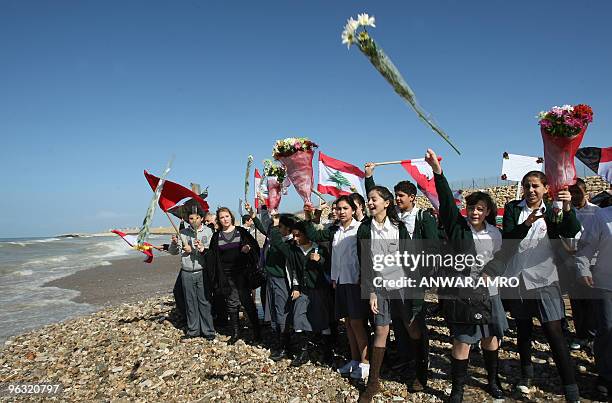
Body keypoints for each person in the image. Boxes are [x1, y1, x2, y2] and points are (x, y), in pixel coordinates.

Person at [425, 149, 507, 401]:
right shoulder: (458, 229)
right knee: (462, 342)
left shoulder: (495, 233)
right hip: (463, 294)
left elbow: (502, 258)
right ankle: (457, 389)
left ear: (487, 211)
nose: (475, 212)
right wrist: (438, 173)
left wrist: (490, 272)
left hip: (489, 294)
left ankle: (492, 382)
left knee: (491, 340)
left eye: (480, 208)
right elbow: (448, 203)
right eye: (472, 207)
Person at [496, 170, 581, 402]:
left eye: (535, 186)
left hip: (545, 278)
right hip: (518, 278)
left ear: (545, 189)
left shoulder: (553, 210)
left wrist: (567, 208)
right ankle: (526, 374)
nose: (531, 190)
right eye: (527, 186)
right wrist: (528, 222)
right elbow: (510, 238)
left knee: (553, 331)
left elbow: (570, 230)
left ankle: (570, 386)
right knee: (523, 329)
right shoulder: (514, 208)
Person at [364, 162, 439, 373]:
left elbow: (432, 247)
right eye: (395, 195)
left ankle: (421, 361)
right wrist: (369, 177)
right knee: (397, 321)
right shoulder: (394, 217)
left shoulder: (423, 217)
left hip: (413, 276)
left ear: (412, 197)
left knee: (414, 321)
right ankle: (406, 358)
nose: (397, 199)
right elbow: (376, 201)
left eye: (401, 196)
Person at [357, 185, 425, 402]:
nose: (369, 202)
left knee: (411, 326)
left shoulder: (399, 226)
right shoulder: (365, 229)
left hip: (403, 285)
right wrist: (372, 292)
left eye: (373, 199)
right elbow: (365, 264)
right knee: (381, 329)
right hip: (380, 286)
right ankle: (373, 381)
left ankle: (419, 371)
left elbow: (410, 259)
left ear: (386, 203)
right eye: (368, 199)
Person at [304, 196, 370, 383]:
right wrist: (309, 217)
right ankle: (355, 359)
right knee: (348, 323)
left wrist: (364, 278)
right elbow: (314, 235)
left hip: (355, 282)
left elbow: (367, 255)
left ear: (353, 209)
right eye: (338, 208)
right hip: (340, 282)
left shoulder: (360, 229)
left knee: (358, 323)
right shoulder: (335, 230)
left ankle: (366, 362)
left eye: (345, 208)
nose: (341, 211)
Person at [269, 218, 333, 367]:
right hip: (303, 290)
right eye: (294, 235)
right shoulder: (293, 250)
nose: (295, 239)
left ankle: (327, 351)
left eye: (299, 235)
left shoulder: (319, 249)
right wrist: (275, 224)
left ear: (307, 235)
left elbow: (330, 270)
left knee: (323, 321)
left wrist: (321, 261)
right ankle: (303, 351)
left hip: (319, 290)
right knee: (298, 317)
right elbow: (277, 243)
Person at [245, 201, 295, 361]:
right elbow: (264, 229)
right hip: (271, 279)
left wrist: (272, 225)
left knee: (281, 311)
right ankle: (278, 340)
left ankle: (285, 346)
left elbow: (272, 235)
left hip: (281, 280)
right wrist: (253, 216)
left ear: (286, 229)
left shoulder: (286, 242)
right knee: (272, 310)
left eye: (278, 226)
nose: (275, 228)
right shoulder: (274, 237)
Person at [207, 207, 261, 344]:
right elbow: (213, 256)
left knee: (247, 302)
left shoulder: (240, 232)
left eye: (227, 216)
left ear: (231, 217)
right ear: (218, 220)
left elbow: (255, 247)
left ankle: (257, 331)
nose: (225, 219)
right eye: (222, 217)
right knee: (232, 302)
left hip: (242, 274)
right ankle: (236, 333)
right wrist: (202, 250)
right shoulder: (216, 236)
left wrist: (248, 249)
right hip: (226, 274)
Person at [575, 204, 612, 400]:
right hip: (606, 284)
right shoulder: (601, 216)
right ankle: (606, 376)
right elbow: (585, 247)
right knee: (606, 329)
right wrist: (583, 268)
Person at [168, 203, 216, 342]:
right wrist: (174, 243)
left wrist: (200, 248)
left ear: (201, 218)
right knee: (190, 301)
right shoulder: (182, 233)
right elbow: (173, 252)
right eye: (190, 218)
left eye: (196, 218)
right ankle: (193, 330)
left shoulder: (208, 232)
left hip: (202, 271)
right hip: (187, 271)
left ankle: (208, 330)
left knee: (204, 301)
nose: (193, 221)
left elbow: (211, 252)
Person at [564, 179, 599, 351]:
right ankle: (581, 334)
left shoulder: (597, 212)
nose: (575, 195)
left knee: (592, 301)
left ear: (585, 192)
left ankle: (593, 336)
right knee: (576, 301)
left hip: (592, 263)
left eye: (578, 192)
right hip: (571, 261)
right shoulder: (566, 212)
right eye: (572, 192)